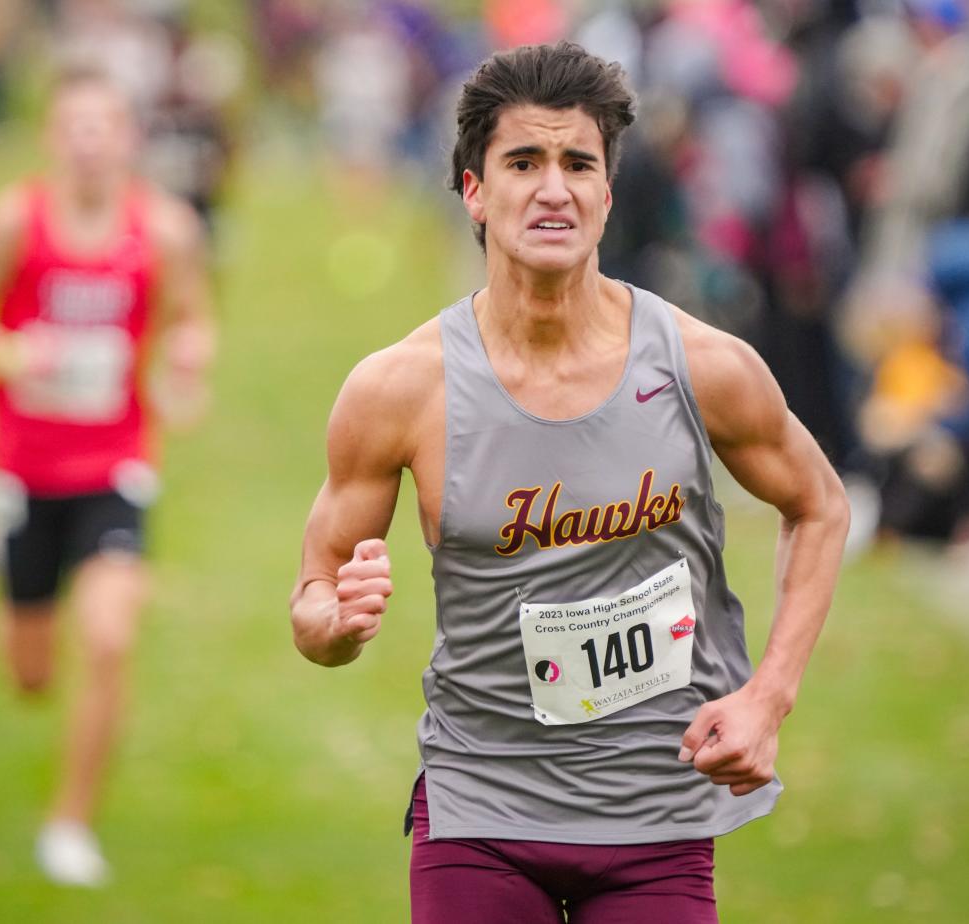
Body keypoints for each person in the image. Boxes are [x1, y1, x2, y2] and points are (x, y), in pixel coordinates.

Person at [290, 42, 848, 923]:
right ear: (475, 192)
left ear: (607, 192)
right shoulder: (399, 388)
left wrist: (769, 694)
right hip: (481, 814)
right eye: (523, 162)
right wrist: (336, 624)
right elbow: (314, 603)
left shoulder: (702, 365)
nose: (554, 187)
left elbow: (818, 505)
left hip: (657, 815)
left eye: (577, 163)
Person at [0, 66, 213, 887]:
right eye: (75, 126)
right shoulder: (16, 218)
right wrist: (8, 351)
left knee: (111, 636)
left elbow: (193, 316)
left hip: (114, 470)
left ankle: (69, 824)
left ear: (127, 137)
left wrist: (189, 361)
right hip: (23, 470)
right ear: (53, 137)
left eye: (106, 125)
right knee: (30, 677)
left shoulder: (162, 228)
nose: (91, 141)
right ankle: (3, 554)